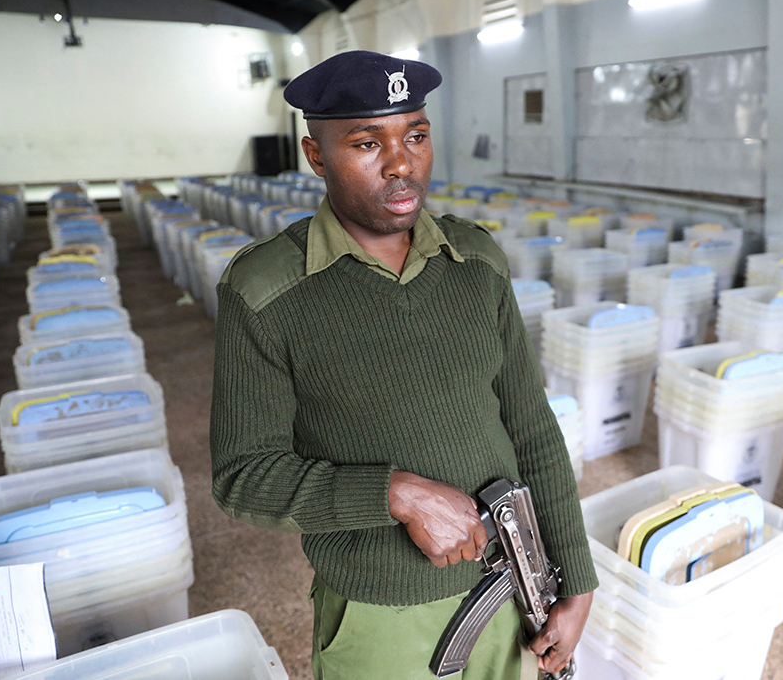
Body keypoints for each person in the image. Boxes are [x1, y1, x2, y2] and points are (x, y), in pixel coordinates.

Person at [210, 50, 596, 679]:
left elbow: (531, 427)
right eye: (367, 143)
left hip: (512, 591)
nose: (400, 162)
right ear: (316, 157)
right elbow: (243, 475)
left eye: (415, 135)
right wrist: (395, 494)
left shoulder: (475, 262)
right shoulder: (268, 290)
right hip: (378, 614)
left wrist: (575, 577)